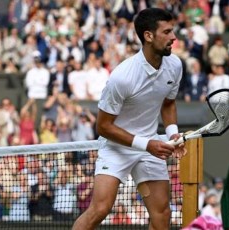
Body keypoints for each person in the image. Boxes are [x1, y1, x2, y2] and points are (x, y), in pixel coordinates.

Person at [72, 8, 186, 230]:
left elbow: (168, 103)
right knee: (100, 209)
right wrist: (147, 144)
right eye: (167, 32)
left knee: (161, 214)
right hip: (117, 146)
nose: (174, 37)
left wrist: (173, 134)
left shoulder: (175, 65)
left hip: (150, 144)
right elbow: (103, 126)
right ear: (148, 36)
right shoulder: (122, 77)